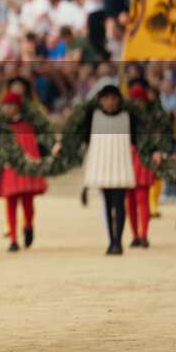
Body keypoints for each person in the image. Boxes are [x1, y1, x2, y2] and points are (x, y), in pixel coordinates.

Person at [53, 85, 142, 255]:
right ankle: (111, 240)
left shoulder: (127, 116)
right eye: (106, 98)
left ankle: (118, 241)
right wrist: (62, 145)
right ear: (100, 100)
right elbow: (78, 135)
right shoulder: (92, 116)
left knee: (119, 204)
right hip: (102, 164)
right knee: (108, 204)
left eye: (113, 98)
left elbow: (140, 137)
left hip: (120, 163)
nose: (110, 102)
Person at [124, 84, 173, 248]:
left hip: (142, 157)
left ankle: (143, 234)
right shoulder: (126, 116)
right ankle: (136, 235)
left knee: (141, 197)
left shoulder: (151, 117)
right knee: (130, 199)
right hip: (128, 155)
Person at [0, 91, 47, 252]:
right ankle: (13, 239)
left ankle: (28, 225)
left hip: (25, 169)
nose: (7, 108)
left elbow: (32, 148)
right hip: (9, 169)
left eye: (10, 105)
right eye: (5, 105)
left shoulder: (27, 126)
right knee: (10, 203)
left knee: (28, 204)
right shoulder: (1, 127)